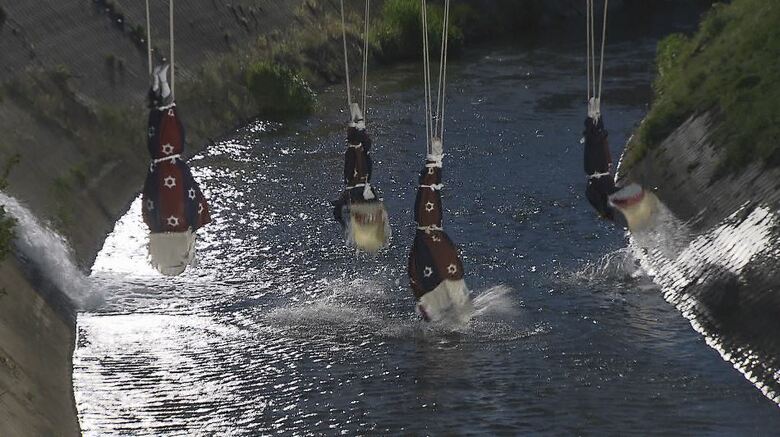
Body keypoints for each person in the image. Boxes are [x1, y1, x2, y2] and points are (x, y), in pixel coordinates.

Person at [408, 139, 471, 323]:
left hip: (432, 236)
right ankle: (440, 304)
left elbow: (429, 186)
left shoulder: (428, 193)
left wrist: (435, 162)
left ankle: (446, 304)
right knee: (440, 267)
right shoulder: (426, 194)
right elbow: (428, 187)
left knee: (446, 266)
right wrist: (434, 161)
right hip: (429, 237)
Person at [583, 115, 617, 221]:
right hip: (598, 174)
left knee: (594, 143)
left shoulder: (598, 195)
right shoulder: (600, 193)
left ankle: (595, 127)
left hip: (597, 174)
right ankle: (595, 127)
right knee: (594, 142)